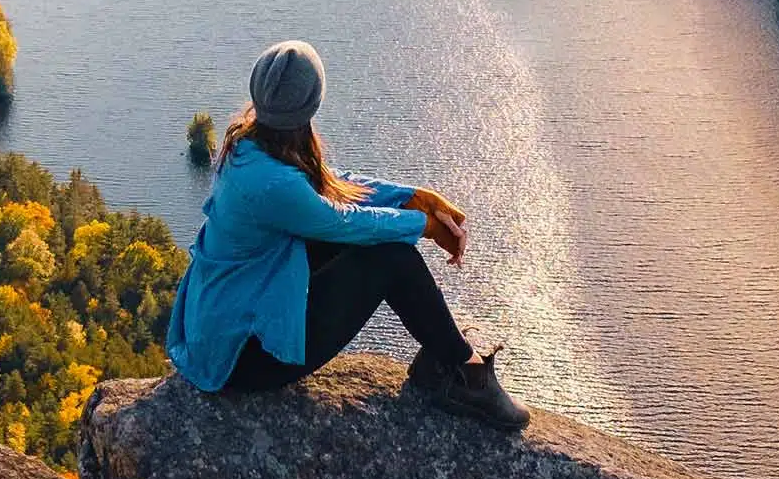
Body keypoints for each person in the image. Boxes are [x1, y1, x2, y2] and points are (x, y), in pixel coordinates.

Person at [164, 39, 530, 432]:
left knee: (374, 242)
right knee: (391, 258)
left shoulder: (248, 145)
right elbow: (342, 220)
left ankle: (443, 359)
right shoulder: (271, 182)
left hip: (226, 326)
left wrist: (413, 197)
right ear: (312, 102)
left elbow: (329, 191)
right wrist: (423, 225)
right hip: (243, 359)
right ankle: (465, 373)